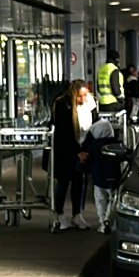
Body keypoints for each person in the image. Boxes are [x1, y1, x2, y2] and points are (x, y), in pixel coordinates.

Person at [49, 79, 96, 230]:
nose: (83, 99)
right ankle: (59, 214)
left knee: (79, 181)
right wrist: (77, 152)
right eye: (79, 96)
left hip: (83, 147)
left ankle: (77, 214)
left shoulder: (90, 104)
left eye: (85, 95)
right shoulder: (62, 104)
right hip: (66, 150)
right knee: (64, 181)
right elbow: (64, 132)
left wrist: (86, 150)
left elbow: (93, 126)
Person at [81, 117, 121, 233]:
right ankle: (109, 219)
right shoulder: (117, 144)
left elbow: (89, 161)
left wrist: (82, 168)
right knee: (112, 200)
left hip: (98, 179)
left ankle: (103, 221)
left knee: (100, 201)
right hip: (114, 179)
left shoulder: (94, 146)